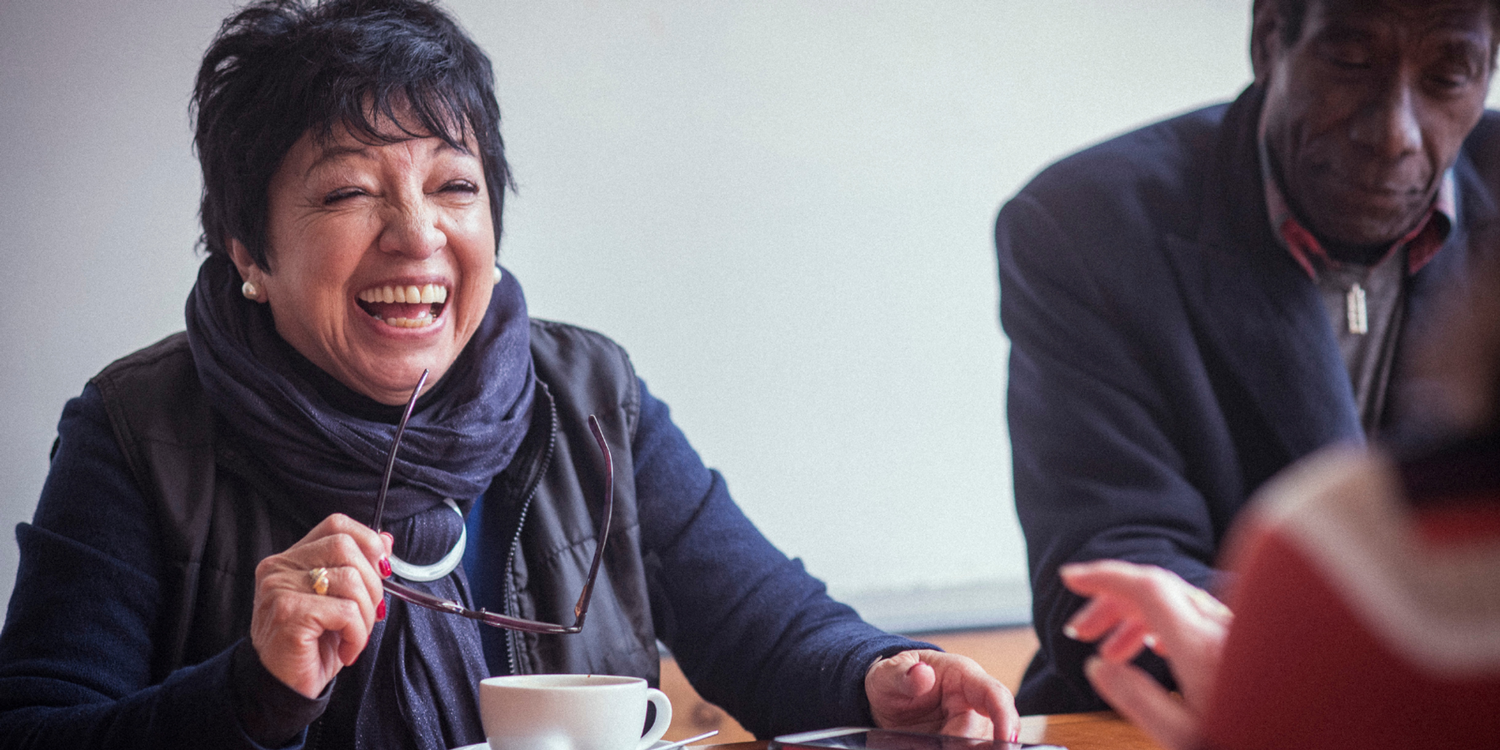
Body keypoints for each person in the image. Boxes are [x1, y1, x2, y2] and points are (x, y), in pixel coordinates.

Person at [0, 2, 1018, 749]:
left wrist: (886, 678)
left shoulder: (589, 393)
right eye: (349, 190)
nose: (417, 236)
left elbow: (765, 629)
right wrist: (251, 688)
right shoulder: (139, 431)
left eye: (455, 185)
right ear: (248, 253)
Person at [995, 0, 1500, 713]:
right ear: (1269, 41)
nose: (1395, 135)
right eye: (1351, 61)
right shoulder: (1089, 224)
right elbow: (1116, 575)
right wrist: (1367, 666)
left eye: (1449, 75)